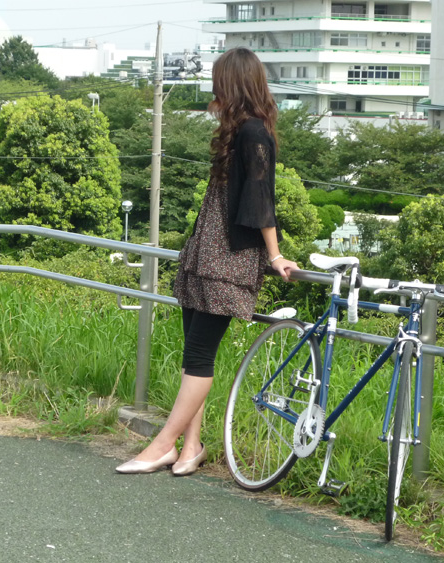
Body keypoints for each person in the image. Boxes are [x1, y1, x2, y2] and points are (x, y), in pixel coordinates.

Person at [116, 47, 298, 476]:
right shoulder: (237, 131)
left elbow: (261, 198)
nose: (214, 89)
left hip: (227, 258)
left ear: (232, 83)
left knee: (200, 353)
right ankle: (191, 447)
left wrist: (274, 255)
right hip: (206, 251)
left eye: (219, 82)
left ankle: (162, 444)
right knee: (193, 355)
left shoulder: (254, 132)